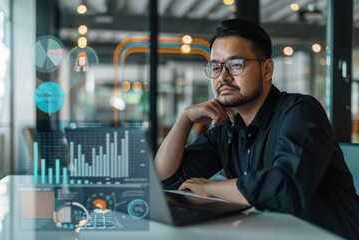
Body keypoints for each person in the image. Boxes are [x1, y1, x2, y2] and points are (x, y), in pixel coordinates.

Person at [154, 18, 359, 239]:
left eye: (236, 64)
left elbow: (284, 188)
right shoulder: (228, 128)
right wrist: (185, 118)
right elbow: (165, 178)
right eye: (216, 66)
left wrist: (212, 188)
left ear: (267, 69)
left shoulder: (300, 112)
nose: (223, 76)